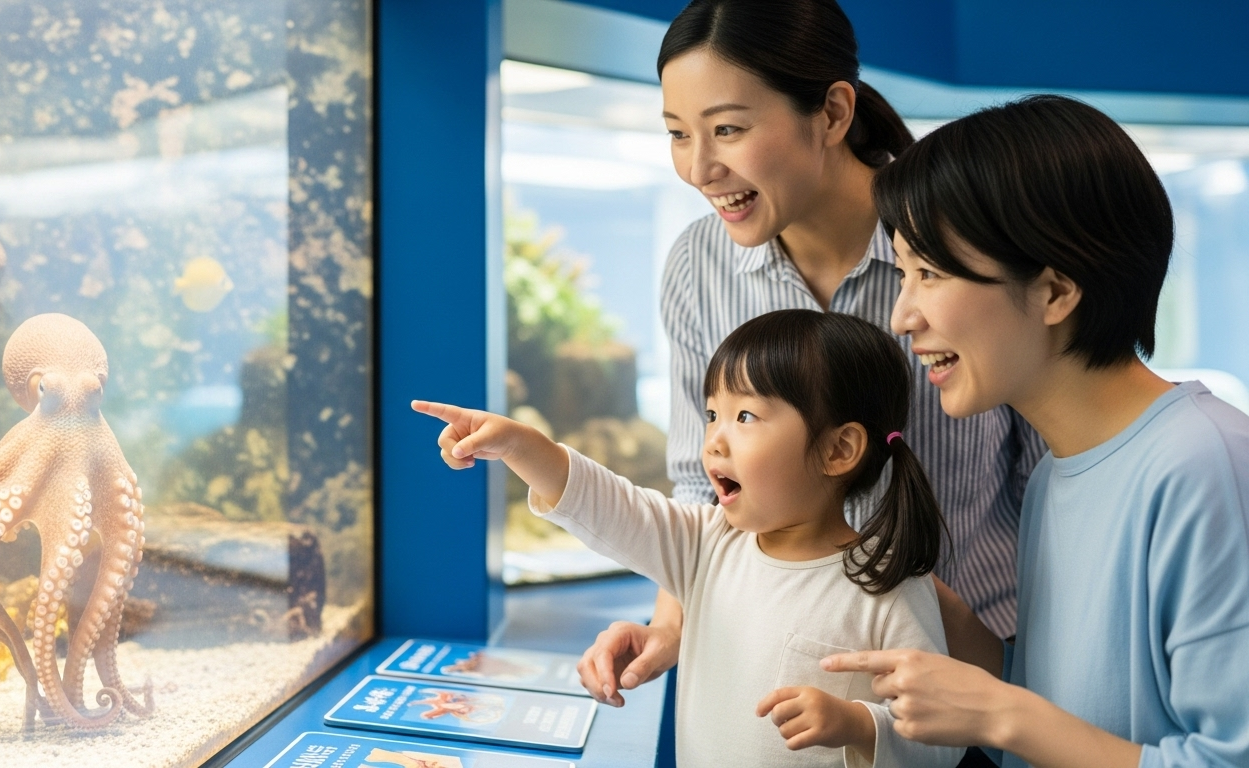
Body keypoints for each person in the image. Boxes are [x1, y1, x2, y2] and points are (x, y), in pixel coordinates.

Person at [578, 0, 1043, 733]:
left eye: (728, 128)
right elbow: (704, 485)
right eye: (676, 134)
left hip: (965, 680)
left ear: (830, 113)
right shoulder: (700, 265)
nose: (699, 168)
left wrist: (1027, 678)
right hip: (770, 675)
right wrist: (670, 624)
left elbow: (1047, 472)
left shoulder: (962, 240)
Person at [817, 95, 1249, 767]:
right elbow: (1069, 725)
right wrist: (957, 630)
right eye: (904, 273)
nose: (903, 316)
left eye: (929, 273)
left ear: (1054, 292)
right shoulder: (1053, 474)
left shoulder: (1207, 468)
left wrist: (999, 712)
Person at [415, 310, 964, 767]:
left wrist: (860, 724)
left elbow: (943, 739)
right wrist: (521, 447)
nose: (715, 440)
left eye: (745, 415)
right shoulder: (708, 542)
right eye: (711, 414)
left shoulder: (890, 586)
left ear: (838, 450)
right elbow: (612, 507)